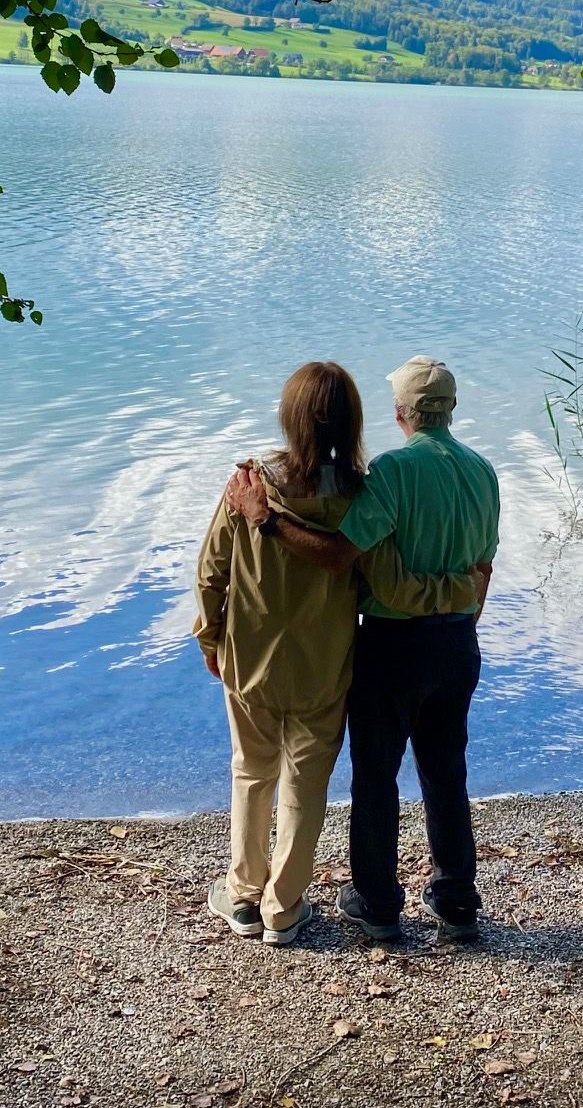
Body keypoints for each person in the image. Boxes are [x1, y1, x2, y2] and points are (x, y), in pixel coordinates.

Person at [193, 361, 486, 947]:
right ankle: (285, 907)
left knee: (256, 773)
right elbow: (394, 575)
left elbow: (212, 572)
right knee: (315, 781)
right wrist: (466, 596)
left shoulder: (251, 485)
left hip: (256, 659)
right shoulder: (373, 488)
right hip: (338, 662)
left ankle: (249, 894)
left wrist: (211, 635)